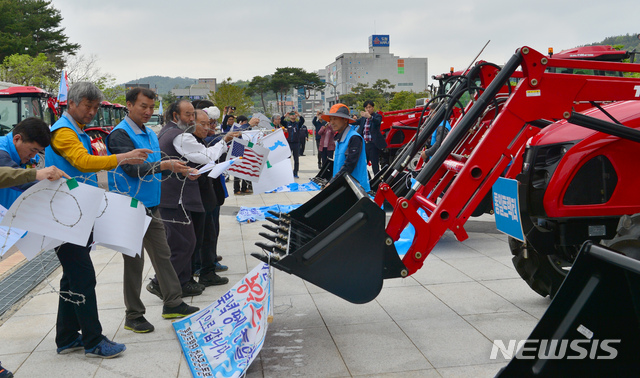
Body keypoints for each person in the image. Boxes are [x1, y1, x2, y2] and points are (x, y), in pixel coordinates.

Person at [45, 82, 150, 358]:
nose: (92, 112)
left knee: (71, 278)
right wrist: (123, 157)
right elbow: (82, 162)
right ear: (71, 104)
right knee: (83, 276)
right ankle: (93, 340)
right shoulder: (63, 133)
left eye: (95, 107)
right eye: (87, 106)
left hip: (76, 211)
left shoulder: (75, 130)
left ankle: (66, 336)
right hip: (65, 215)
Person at [107, 88, 201, 333]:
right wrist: (165, 164)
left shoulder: (150, 133)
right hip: (129, 207)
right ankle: (133, 315)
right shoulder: (120, 135)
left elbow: (156, 166)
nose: (148, 112)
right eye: (143, 107)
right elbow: (132, 170)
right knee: (134, 263)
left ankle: (173, 302)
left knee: (163, 255)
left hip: (150, 206)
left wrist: (177, 169)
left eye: (151, 107)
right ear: (129, 105)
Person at [156, 100, 235, 297]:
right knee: (184, 244)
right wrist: (223, 143)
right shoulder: (180, 136)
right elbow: (206, 156)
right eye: (188, 115)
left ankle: (181, 282)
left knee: (187, 243)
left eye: (193, 115)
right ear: (175, 116)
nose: (191, 119)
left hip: (177, 195)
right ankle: (161, 284)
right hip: (176, 197)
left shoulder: (170, 132)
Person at [190, 109, 233, 286]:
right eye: (206, 123)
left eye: (212, 123)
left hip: (212, 193)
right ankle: (200, 269)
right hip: (199, 196)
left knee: (210, 233)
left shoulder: (204, 139)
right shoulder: (190, 141)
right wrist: (226, 139)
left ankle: (208, 266)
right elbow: (210, 154)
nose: (211, 127)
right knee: (201, 237)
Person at [0, 117, 52, 208]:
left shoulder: (29, 158)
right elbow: (18, 178)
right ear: (17, 139)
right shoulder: (2, 153)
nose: (33, 155)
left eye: (38, 151)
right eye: (32, 150)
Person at [321, 103, 370, 192]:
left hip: (356, 189)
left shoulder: (354, 138)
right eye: (331, 119)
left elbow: (349, 165)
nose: (332, 122)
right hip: (344, 186)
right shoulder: (341, 138)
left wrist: (332, 182)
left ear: (345, 120)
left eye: (335, 119)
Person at [354, 100, 386, 175]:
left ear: (373, 108)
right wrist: (345, 120)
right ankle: (367, 180)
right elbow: (355, 121)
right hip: (365, 144)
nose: (368, 109)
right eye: (366, 108)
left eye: (369, 107)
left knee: (375, 165)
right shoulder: (363, 118)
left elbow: (377, 122)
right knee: (363, 165)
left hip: (373, 145)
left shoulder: (377, 116)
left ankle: (377, 182)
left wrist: (370, 117)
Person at [281, 110, 305, 178]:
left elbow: (302, 120)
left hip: (296, 143)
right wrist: (285, 115)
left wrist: (299, 115)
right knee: (287, 159)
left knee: (296, 159)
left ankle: (295, 173)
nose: (293, 116)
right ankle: (287, 172)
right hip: (289, 143)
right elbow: (281, 121)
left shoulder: (298, 124)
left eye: (294, 114)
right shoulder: (287, 123)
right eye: (291, 114)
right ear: (289, 116)